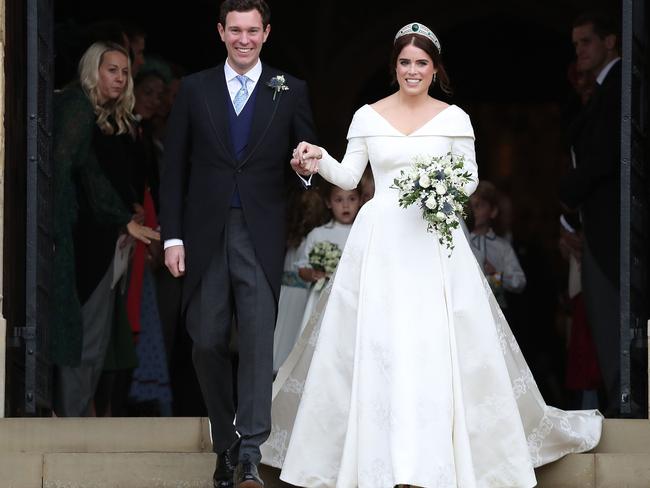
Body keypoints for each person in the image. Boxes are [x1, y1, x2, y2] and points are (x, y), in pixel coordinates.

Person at [260, 22, 602, 487]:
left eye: (421, 63)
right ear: (394, 67)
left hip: (431, 241)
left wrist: (437, 187)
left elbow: (466, 181)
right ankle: (372, 459)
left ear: (435, 69)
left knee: (431, 344)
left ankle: (432, 458)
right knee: (376, 344)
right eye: (405, 62)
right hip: (379, 240)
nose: (412, 70)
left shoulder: (454, 118)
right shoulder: (367, 116)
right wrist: (316, 159)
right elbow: (348, 178)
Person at [158, 0, 318, 485]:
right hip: (203, 233)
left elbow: (306, 160)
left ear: (266, 33)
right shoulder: (194, 88)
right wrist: (173, 238)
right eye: (235, 30)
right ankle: (224, 442)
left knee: (255, 342)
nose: (244, 39)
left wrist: (305, 168)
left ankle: (250, 450)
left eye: (253, 30)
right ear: (221, 32)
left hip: (261, 232)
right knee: (205, 340)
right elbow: (174, 168)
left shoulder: (291, 91)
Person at [52, 41, 160, 417]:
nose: (119, 77)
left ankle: (75, 416)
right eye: (111, 69)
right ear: (92, 70)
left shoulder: (109, 118)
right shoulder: (77, 108)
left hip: (106, 239)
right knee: (84, 335)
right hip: (84, 242)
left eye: (124, 71)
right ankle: (71, 421)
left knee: (92, 337)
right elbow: (80, 175)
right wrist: (121, 218)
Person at [559, 11, 621, 416]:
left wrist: (566, 192)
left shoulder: (619, 88)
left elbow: (605, 154)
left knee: (613, 325)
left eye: (586, 42)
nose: (579, 51)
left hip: (613, 229)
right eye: (575, 43)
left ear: (610, 41)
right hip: (594, 226)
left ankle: (622, 410)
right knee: (596, 329)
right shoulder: (604, 90)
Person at [272, 188, 328, 373]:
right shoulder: (297, 239)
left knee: (291, 332)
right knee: (284, 333)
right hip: (291, 294)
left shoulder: (309, 238)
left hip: (296, 294)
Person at [294, 183, 361, 337]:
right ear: (328, 203)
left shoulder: (363, 234)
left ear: (360, 201)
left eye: (352, 199)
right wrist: (312, 274)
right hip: (322, 299)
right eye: (339, 200)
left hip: (352, 299)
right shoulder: (318, 234)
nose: (346, 205)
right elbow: (302, 268)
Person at [468, 180, 526, 308]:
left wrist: (497, 275)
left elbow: (519, 281)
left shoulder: (502, 246)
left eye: (479, 205)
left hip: (497, 310)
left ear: (493, 211)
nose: (474, 211)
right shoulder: (464, 243)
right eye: (471, 206)